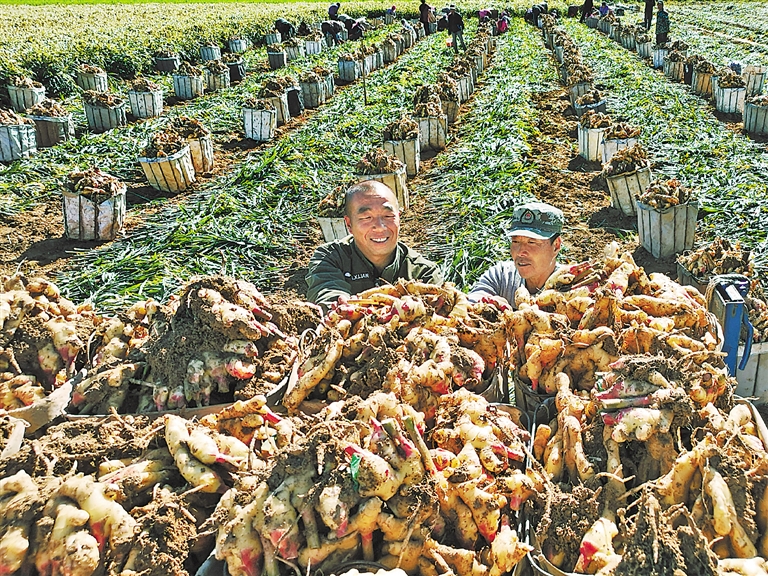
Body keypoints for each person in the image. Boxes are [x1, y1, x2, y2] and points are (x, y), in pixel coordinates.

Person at [306, 181, 443, 311]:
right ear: (349, 224)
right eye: (366, 217)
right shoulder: (331, 257)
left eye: (388, 216)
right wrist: (343, 309)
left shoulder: (422, 272)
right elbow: (327, 293)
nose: (380, 227)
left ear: (399, 218)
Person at [468, 201, 564, 309]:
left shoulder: (571, 287)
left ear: (556, 246)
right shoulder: (501, 276)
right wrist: (487, 304)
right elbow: (470, 305)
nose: (520, 252)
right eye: (515, 242)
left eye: (531, 242)